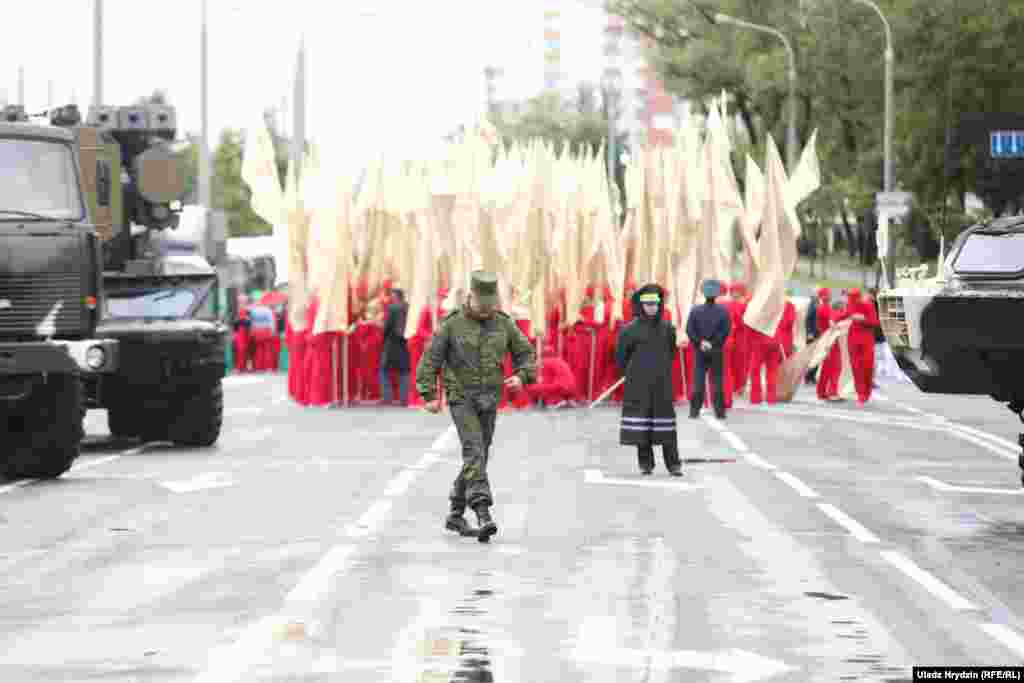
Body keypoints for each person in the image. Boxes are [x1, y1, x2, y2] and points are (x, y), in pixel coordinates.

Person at [416, 271, 537, 542]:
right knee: (474, 451)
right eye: (482, 304)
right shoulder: (452, 325)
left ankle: (455, 513)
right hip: (461, 397)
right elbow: (429, 360)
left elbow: (526, 353)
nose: (487, 309)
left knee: (479, 454)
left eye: (491, 304)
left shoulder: (503, 324)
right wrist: (428, 395)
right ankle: (483, 512)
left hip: (490, 399)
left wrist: (521, 375)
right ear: (471, 297)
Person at [616, 283, 682, 476]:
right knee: (641, 425)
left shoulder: (668, 329)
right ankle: (646, 463)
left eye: (655, 303)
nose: (651, 307)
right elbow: (621, 357)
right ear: (641, 305)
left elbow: (671, 353)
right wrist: (633, 374)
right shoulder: (629, 330)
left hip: (661, 383)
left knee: (666, 425)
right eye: (648, 304)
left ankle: (674, 464)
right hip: (638, 384)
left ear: (659, 304)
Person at [686, 279, 732, 420]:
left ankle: (694, 411)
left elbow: (690, 330)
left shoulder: (695, 310)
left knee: (698, 381)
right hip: (716, 350)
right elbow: (725, 331)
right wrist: (713, 343)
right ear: (717, 294)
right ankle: (720, 411)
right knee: (717, 381)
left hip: (700, 350)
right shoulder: (723, 311)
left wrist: (700, 342)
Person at [834, 287, 879, 405]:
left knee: (867, 366)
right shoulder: (850, 305)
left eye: (853, 298)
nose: (851, 301)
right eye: (850, 298)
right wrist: (833, 319)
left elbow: (875, 322)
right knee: (856, 367)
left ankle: (866, 391)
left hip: (866, 339)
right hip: (853, 339)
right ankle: (861, 394)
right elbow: (843, 315)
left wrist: (863, 319)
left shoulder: (868, 306)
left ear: (858, 298)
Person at [380, 288, 411, 406]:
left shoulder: (392, 308)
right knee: (405, 371)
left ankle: (387, 397)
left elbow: (387, 326)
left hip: (392, 343)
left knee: (384, 370)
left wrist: (383, 339)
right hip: (405, 342)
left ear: (395, 296)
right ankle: (404, 398)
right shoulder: (409, 307)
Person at [525, 343, 576, 408]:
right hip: (571, 388)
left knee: (532, 388)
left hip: (560, 388)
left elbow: (546, 382)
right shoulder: (559, 360)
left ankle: (554, 402)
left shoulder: (545, 362)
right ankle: (564, 400)